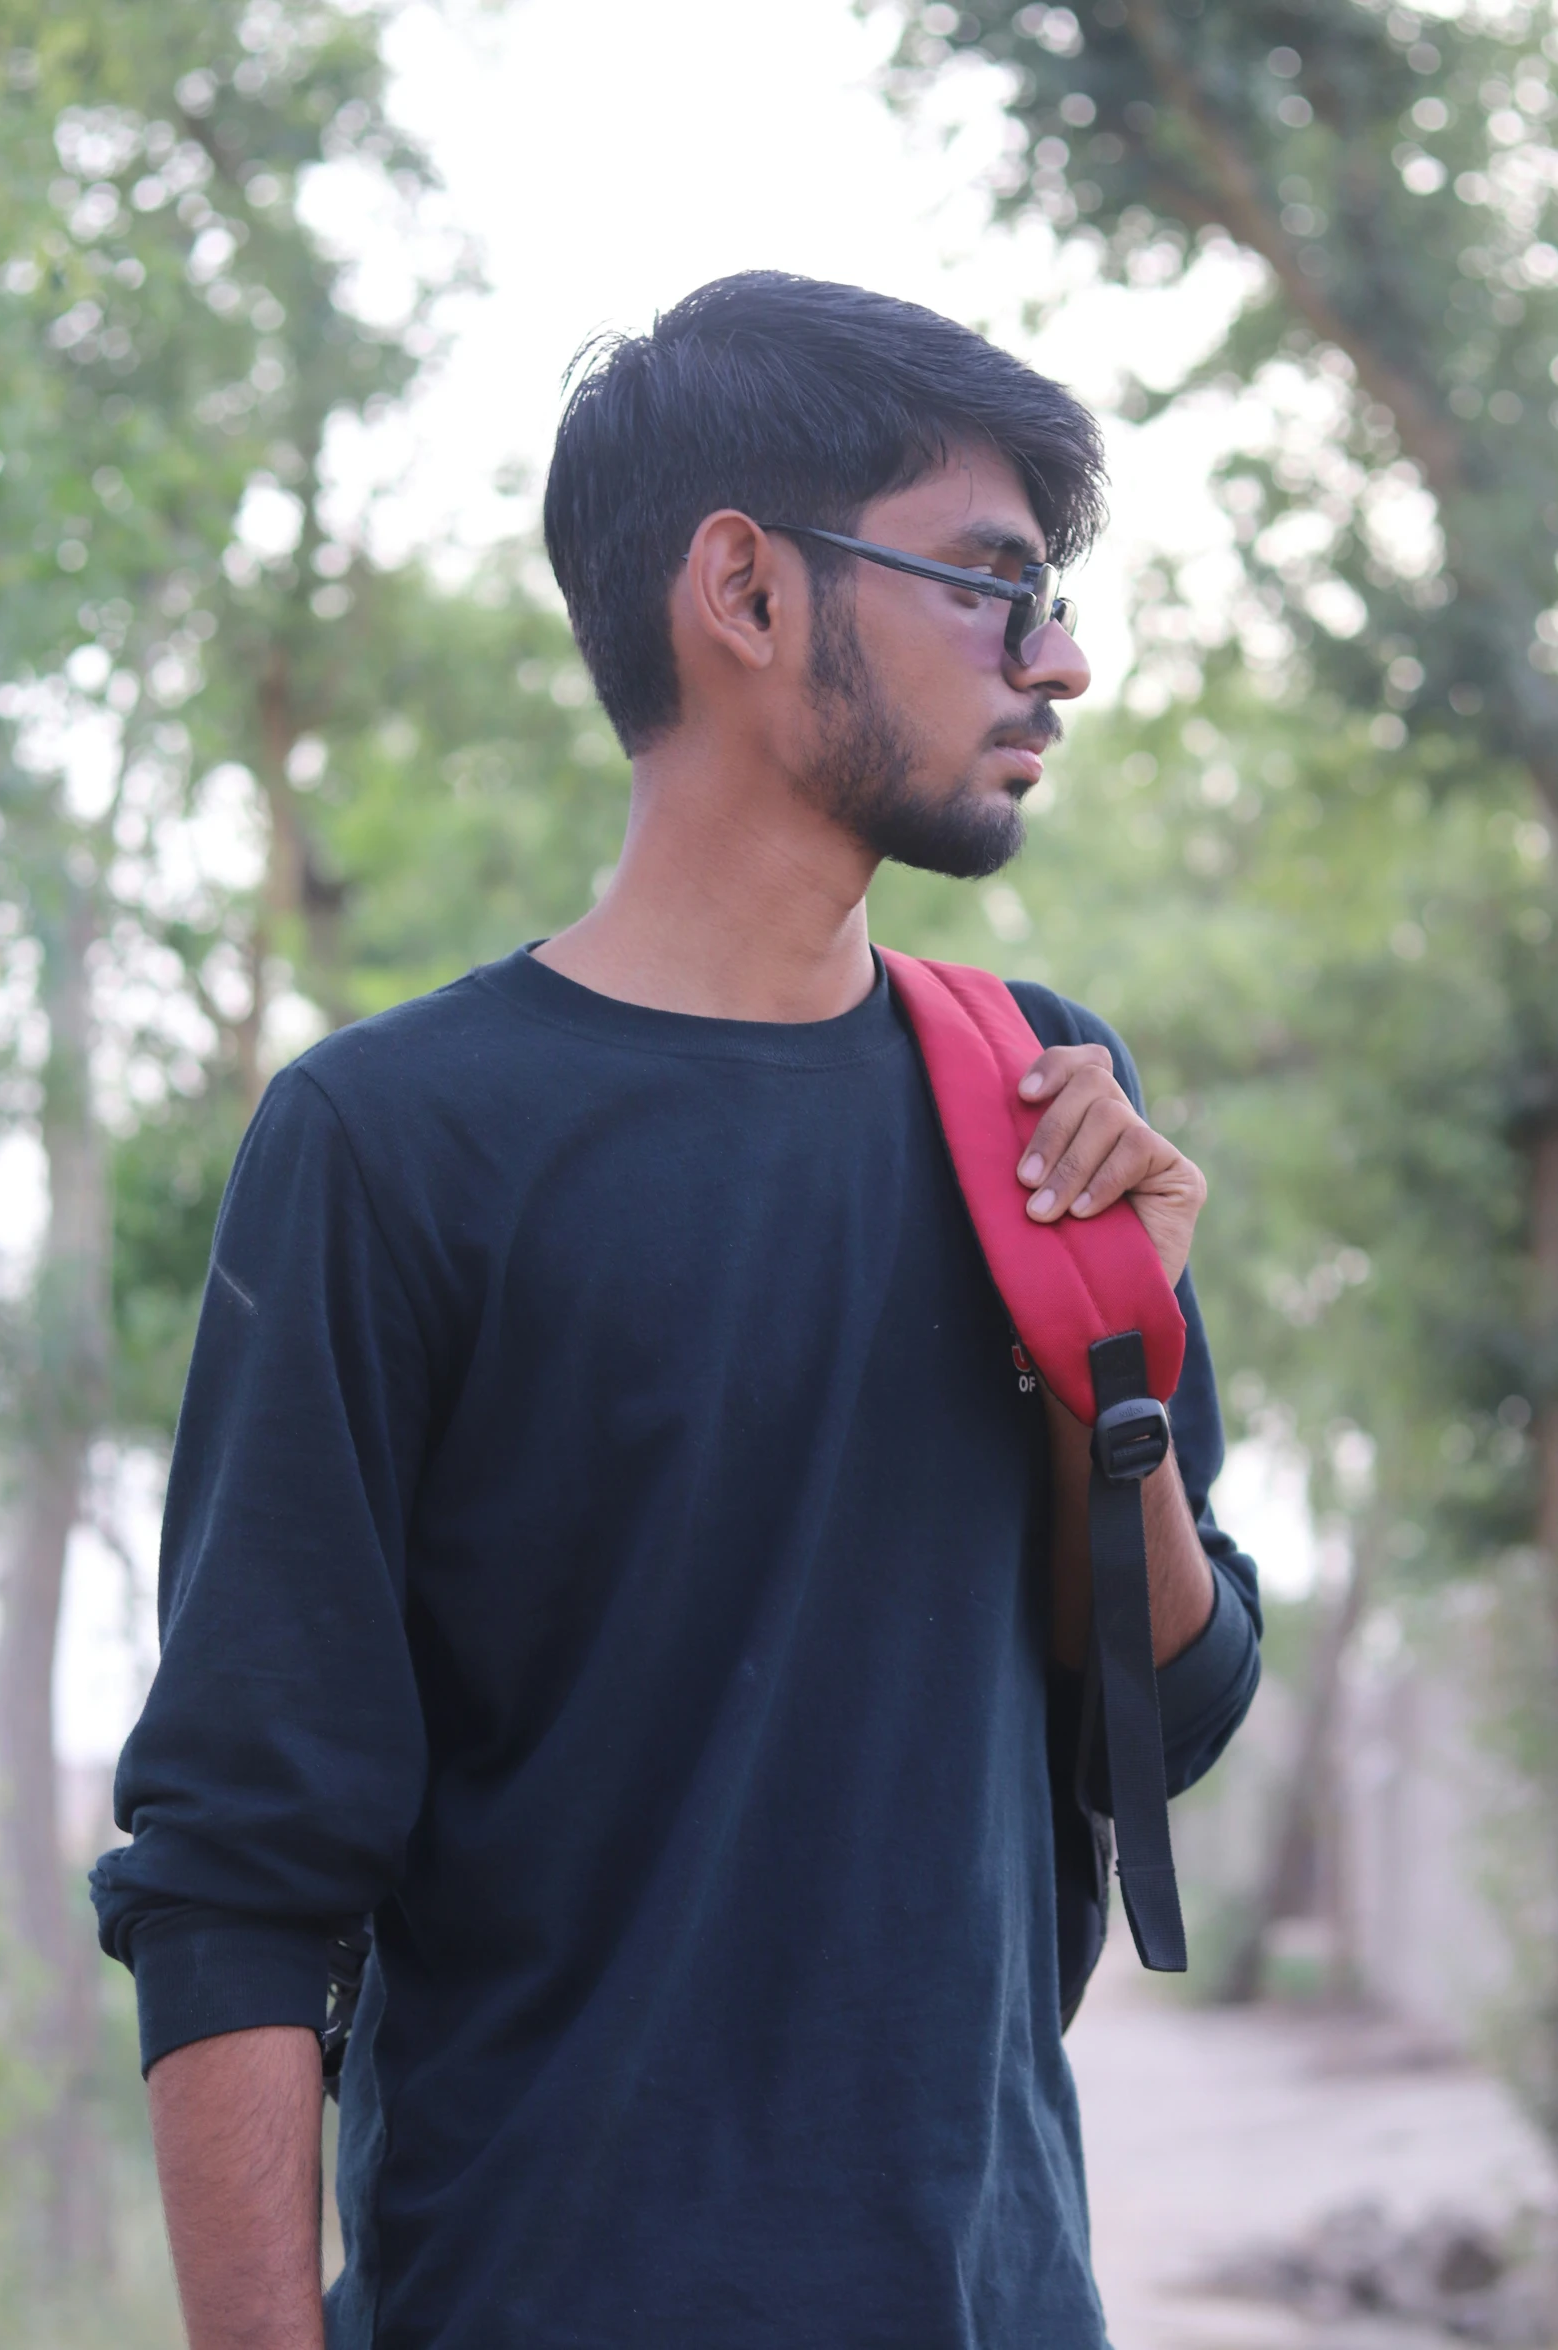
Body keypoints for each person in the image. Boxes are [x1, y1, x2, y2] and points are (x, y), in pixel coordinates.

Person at [93, 271, 1260, 2350]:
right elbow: (238, 1874)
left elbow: (1168, 1710)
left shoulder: (1039, 1093)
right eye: (992, 585)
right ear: (746, 587)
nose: (1060, 659)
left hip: (1000, 2300)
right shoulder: (393, 1142)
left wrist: (1118, 1357)